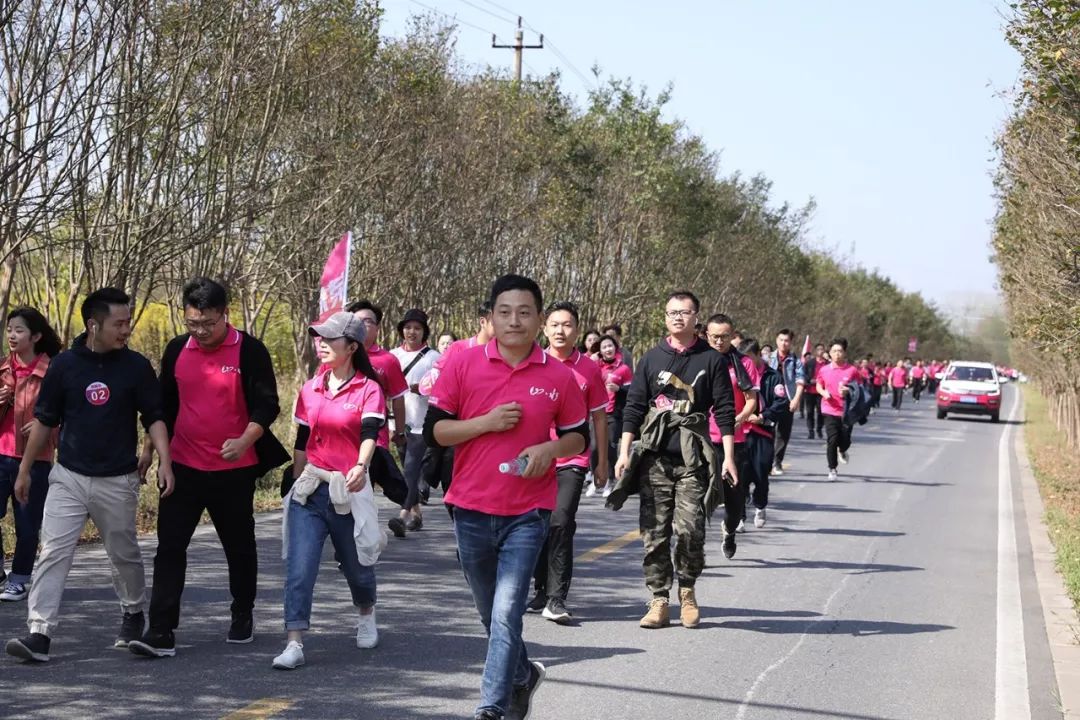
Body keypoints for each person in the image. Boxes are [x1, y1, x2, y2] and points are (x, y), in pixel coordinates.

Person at [424, 274, 588, 720]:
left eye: (524, 312)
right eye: (504, 312)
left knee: (506, 613)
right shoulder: (463, 363)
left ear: (538, 318)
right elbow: (436, 432)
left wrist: (550, 449)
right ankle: (523, 675)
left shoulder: (559, 376)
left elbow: (579, 437)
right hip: (471, 507)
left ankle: (490, 708)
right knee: (487, 612)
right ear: (490, 317)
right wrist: (486, 423)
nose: (514, 320)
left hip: (528, 511)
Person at [6, 288, 175, 663]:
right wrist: (24, 470)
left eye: (128, 322)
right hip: (69, 475)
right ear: (94, 325)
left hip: (118, 478)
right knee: (51, 551)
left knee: (124, 554)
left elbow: (154, 418)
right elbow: (45, 420)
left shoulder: (136, 367)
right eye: (120, 323)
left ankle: (133, 613)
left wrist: (164, 460)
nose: (126, 329)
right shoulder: (65, 365)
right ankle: (39, 633)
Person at [128, 278, 289, 658]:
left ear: (225, 315)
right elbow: (160, 408)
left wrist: (245, 440)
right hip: (182, 465)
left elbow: (268, 405)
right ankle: (162, 631)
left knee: (238, 547)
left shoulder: (249, 350)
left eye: (208, 324)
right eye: (192, 323)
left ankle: (242, 612)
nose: (200, 332)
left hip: (234, 470)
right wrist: (152, 452)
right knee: (169, 547)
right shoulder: (176, 350)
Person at [608, 291, 737, 631]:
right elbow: (633, 407)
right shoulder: (651, 358)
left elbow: (724, 409)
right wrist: (624, 453)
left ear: (697, 317)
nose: (678, 317)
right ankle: (659, 599)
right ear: (664, 318)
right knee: (654, 533)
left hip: (693, 460)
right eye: (671, 312)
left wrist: (728, 458)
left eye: (685, 312)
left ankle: (688, 590)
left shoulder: (712, 360)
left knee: (691, 529)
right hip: (655, 459)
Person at [271, 312, 385, 670]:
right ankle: (294, 642)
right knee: (299, 568)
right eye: (318, 338)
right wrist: (295, 479)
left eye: (329, 339)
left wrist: (360, 467)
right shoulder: (310, 387)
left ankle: (366, 612)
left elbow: (369, 434)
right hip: (311, 490)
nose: (321, 344)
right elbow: (303, 439)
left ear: (352, 346)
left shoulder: (368, 389)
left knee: (356, 566)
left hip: (347, 490)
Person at [528, 301, 608, 624]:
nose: (561, 331)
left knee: (561, 521)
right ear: (544, 329)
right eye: (555, 325)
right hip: (534, 457)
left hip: (572, 458)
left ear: (577, 330)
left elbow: (600, 418)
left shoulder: (589, 368)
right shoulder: (533, 362)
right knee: (534, 526)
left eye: (568, 325)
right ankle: (541, 588)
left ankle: (557, 598)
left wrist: (602, 462)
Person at [0, 308, 62, 602]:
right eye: (10, 329)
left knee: (27, 524)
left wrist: (46, 426)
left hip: (35, 459)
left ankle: (20, 578)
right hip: (1, 454)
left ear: (36, 336)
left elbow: (68, 416)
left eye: (19, 330)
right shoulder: (2, 369)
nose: (12, 335)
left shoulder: (53, 373)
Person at [347, 300, 410, 537]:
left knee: (364, 486)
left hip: (375, 437)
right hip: (342, 436)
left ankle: (361, 539)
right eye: (357, 321)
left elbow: (398, 397)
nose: (362, 326)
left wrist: (400, 430)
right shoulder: (338, 355)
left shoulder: (387, 360)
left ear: (377, 328)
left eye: (368, 322)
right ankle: (353, 537)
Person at [704, 314, 758, 541]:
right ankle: (693, 547)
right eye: (714, 337)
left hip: (734, 439)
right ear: (706, 336)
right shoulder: (698, 360)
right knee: (697, 496)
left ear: (732, 336)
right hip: (703, 438)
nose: (719, 341)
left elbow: (751, 400)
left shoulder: (744, 363)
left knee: (734, 500)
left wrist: (740, 418)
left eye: (724, 337)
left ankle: (729, 528)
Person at [390, 309, 440, 530]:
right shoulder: (392, 356)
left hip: (423, 423)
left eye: (417, 328)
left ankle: (402, 516)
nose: (412, 332)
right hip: (398, 422)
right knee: (407, 469)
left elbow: (442, 387)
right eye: (408, 327)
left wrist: (422, 388)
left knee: (410, 469)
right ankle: (417, 514)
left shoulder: (434, 358)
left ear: (424, 332)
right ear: (402, 330)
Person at [741, 338, 791, 528]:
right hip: (741, 431)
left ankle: (760, 505)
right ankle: (740, 516)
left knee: (761, 472)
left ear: (758, 354)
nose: (744, 363)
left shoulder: (773, 377)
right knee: (740, 475)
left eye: (748, 359)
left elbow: (781, 403)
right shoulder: (739, 375)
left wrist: (763, 416)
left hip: (763, 432)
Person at [588, 334, 632, 499]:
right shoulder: (594, 367)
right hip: (595, 413)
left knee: (610, 448)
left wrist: (618, 389)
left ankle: (609, 481)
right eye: (604, 347)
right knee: (593, 448)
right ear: (600, 351)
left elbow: (630, 392)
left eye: (610, 346)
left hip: (614, 414)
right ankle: (595, 479)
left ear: (616, 348)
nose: (608, 349)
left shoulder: (623, 369)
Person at [817, 338, 860, 481]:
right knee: (832, 439)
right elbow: (819, 385)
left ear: (844, 353)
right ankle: (832, 468)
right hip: (829, 409)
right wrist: (824, 393)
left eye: (840, 351)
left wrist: (848, 390)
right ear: (829, 353)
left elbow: (859, 388)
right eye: (834, 351)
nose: (837, 354)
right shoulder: (823, 370)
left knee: (845, 439)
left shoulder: (852, 370)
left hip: (847, 411)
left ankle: (843, 450)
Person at [768, 329, 805, 476]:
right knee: (768, 432)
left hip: (787, 400)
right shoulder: (768, 358)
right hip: (770, 401)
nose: (784, 343)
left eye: (787, 340)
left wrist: (796, 399)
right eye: (781, 340)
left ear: (791, 342)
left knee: (783, 434)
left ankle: (777, 462)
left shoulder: (795, 361)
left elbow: (800, 381)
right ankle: (767, 461)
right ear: (776, 340)